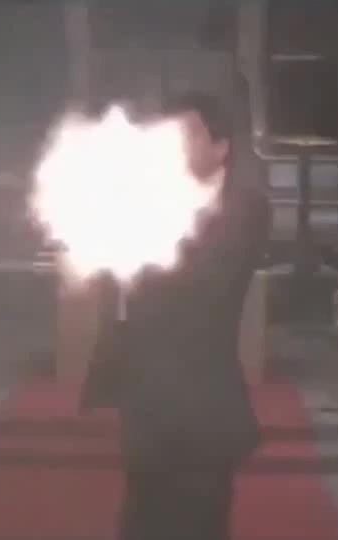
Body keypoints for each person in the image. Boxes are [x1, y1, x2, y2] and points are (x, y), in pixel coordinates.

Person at [79, 91, 270, 540]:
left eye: (189, 134)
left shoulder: (245, 207)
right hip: (145, 403)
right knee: (138, 524)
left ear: (221, 147)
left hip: (202, 410)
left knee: (198, 524)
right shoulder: (155, 200)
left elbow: (205, 284)